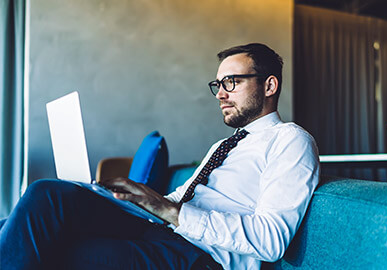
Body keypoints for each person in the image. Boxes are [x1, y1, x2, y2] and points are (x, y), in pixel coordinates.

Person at [0, 43, 320, 270]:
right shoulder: (224, 145)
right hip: (162, 231)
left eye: (232, 82)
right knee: (45, 197)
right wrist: (138, 200)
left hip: (202, 256)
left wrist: (171, 212)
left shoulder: (290, 140)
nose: (220, 93)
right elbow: (182, 199)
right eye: (218, 84)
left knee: (57, 247)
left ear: (269, 85)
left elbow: (271, 240)